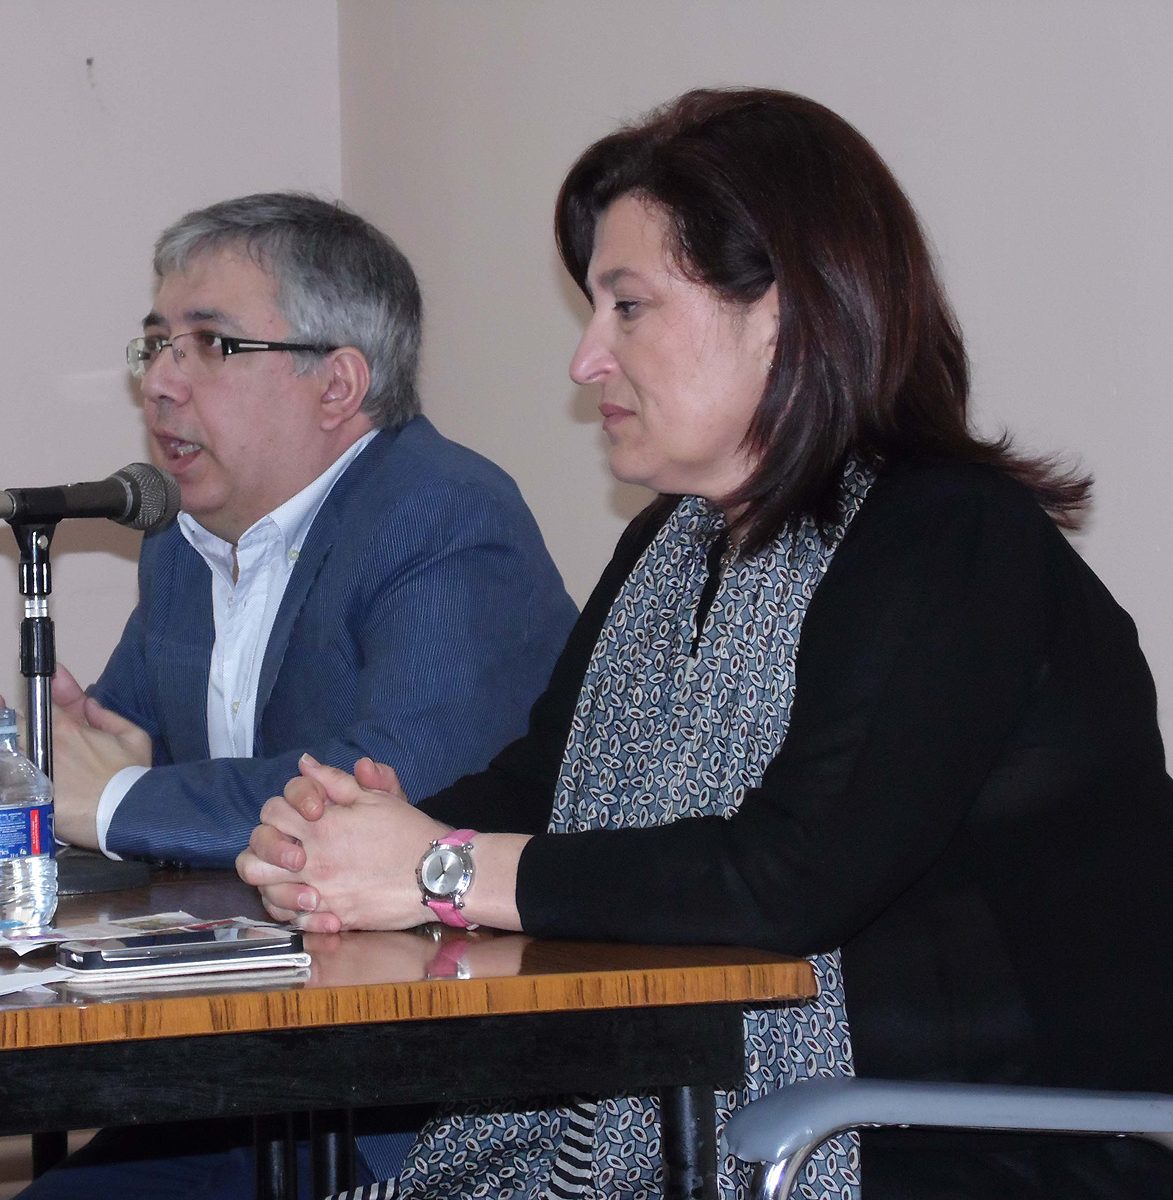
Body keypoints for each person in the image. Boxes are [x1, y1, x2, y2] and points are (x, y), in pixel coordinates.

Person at [238, 89, 1173, 1200]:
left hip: (956, 1152)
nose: (586, 360)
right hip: (742, 1125)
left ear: (783, 312)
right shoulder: (670, 546)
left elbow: (788, 879)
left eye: (628, 307)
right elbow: (546, 789)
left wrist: (437, 871)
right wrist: (353, 844)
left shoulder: (948, 538)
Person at [8, 193, 577, 1198]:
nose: (162, 383)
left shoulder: (443, 515)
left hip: (423, 1098)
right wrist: (90, 772)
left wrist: (118, 800)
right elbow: (125, 763)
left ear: (337, 384)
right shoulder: (184, 543)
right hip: (249, 1066)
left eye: (211, 345)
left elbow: (387, 795)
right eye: (155, 345)